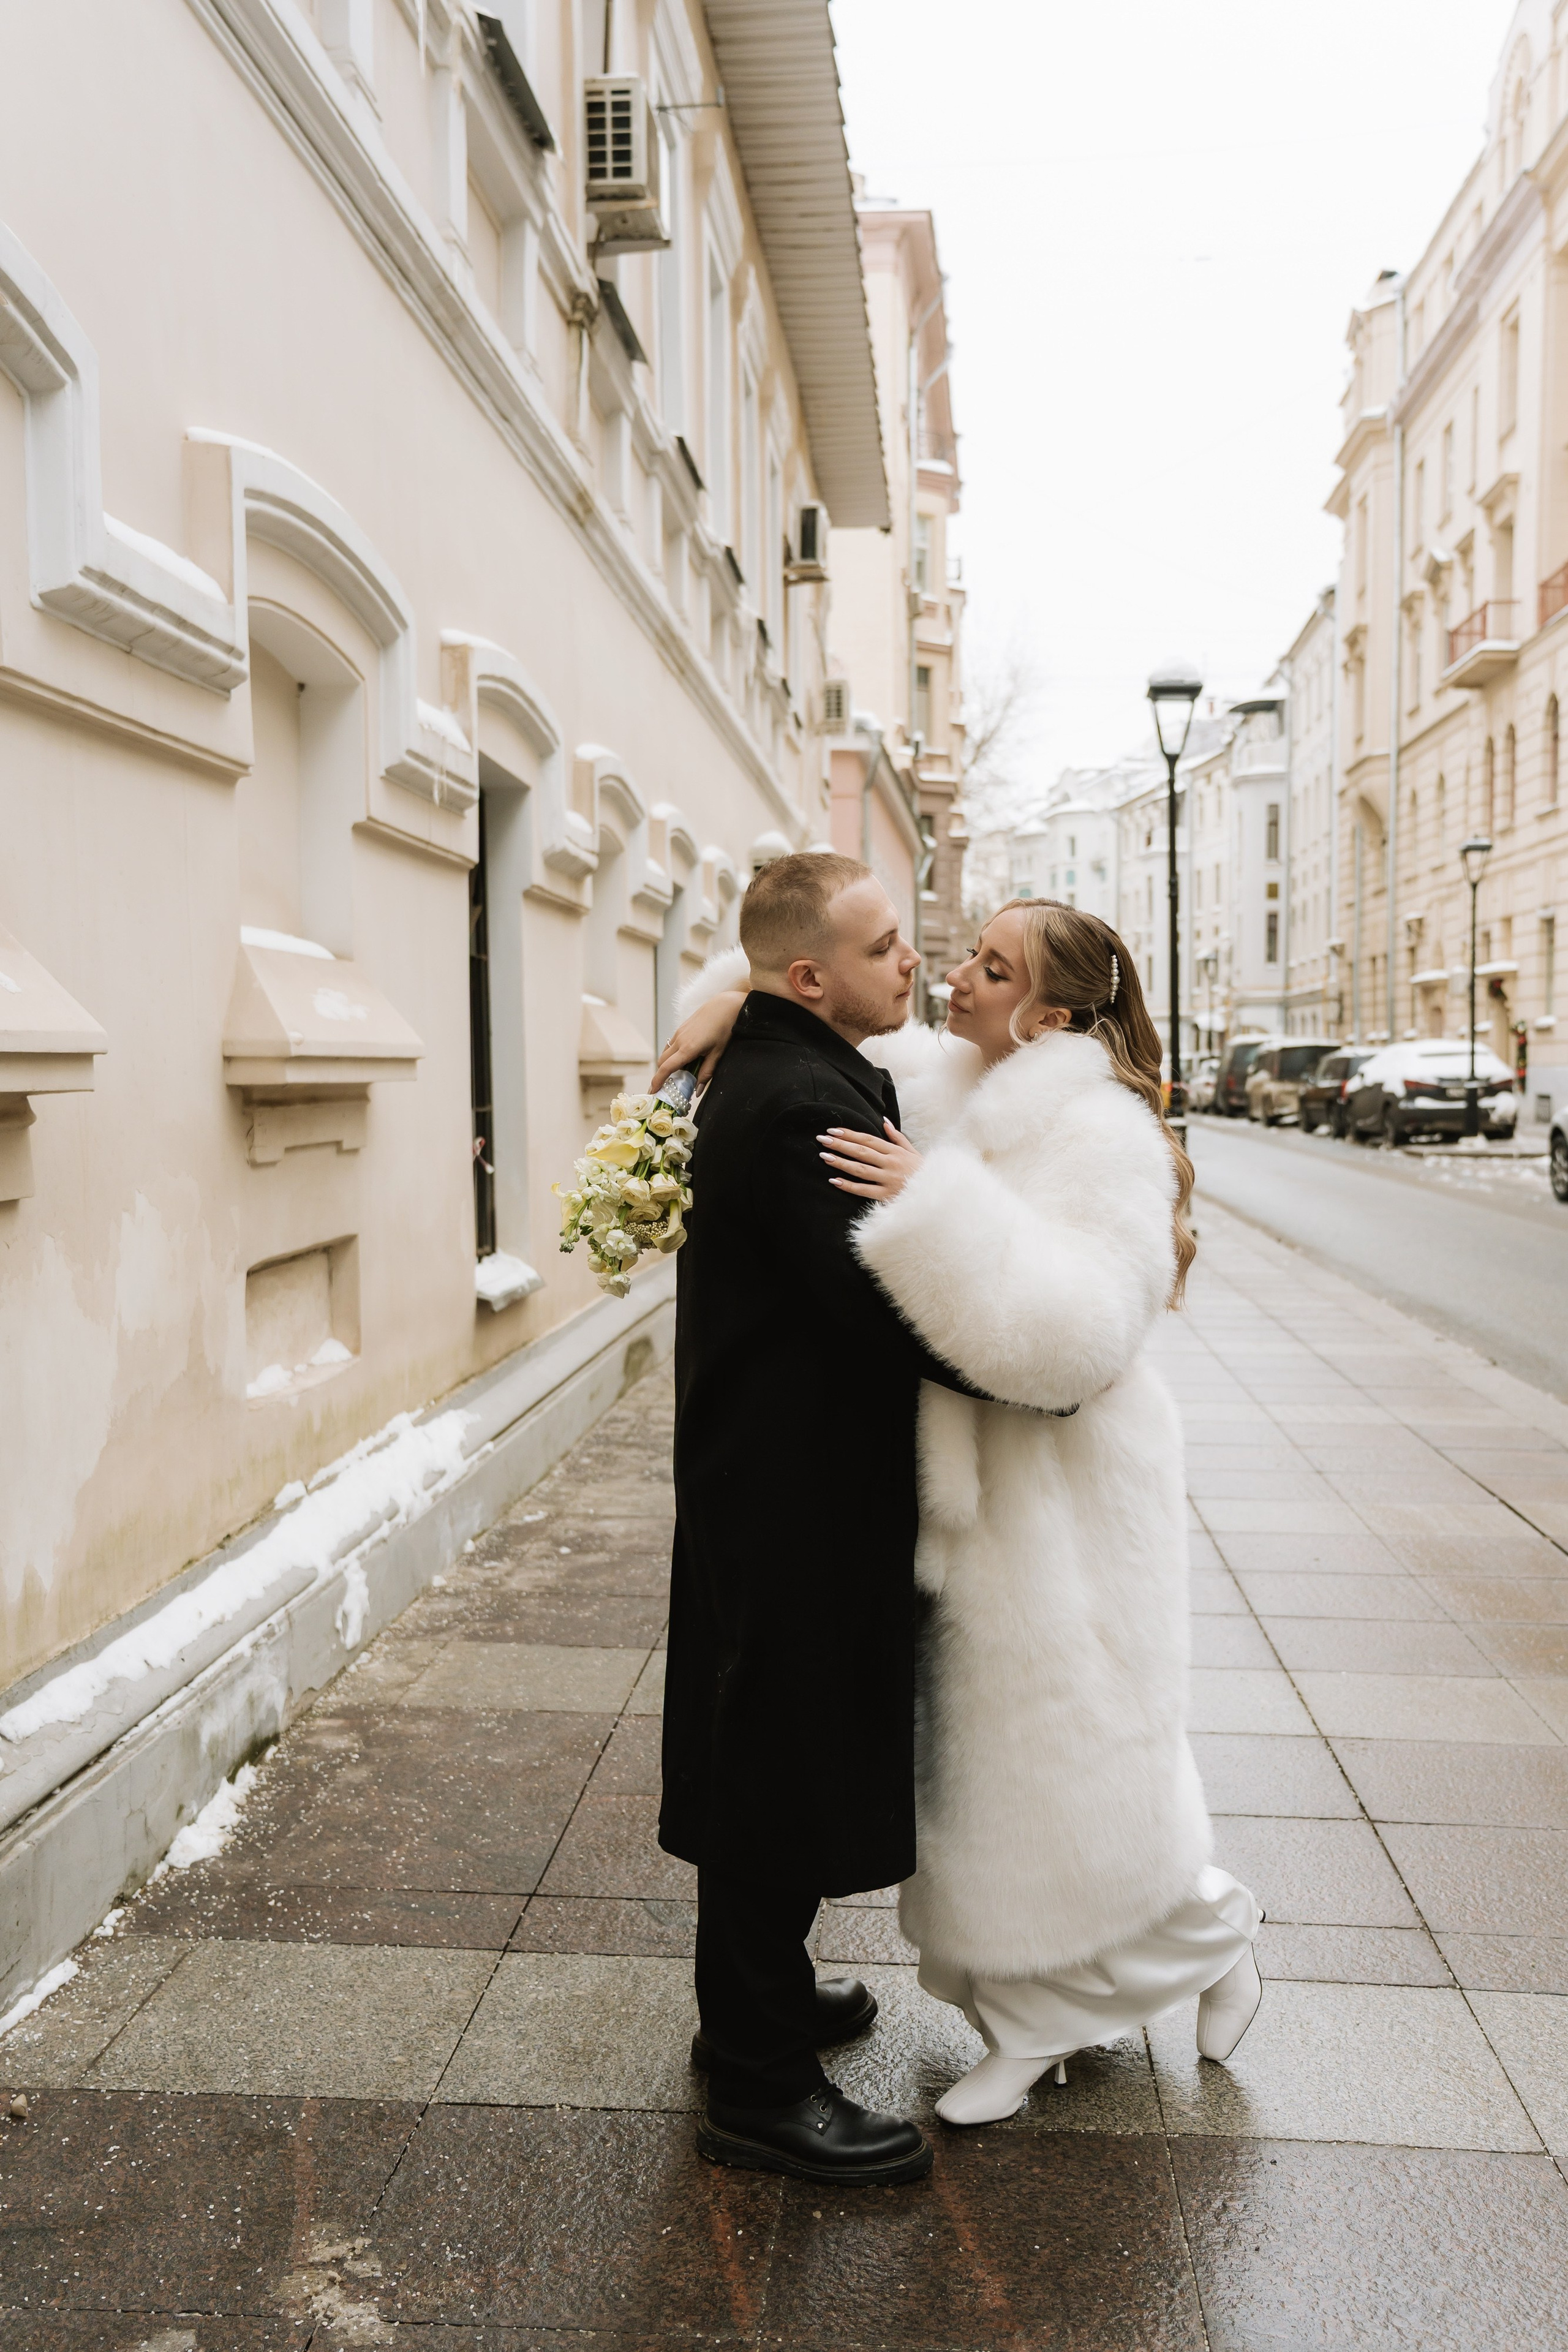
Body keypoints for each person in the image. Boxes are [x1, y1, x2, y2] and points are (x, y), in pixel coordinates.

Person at [662, 894, 1262, 2130]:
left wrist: (935, 1202)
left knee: (1057, 1763)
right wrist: (733, 1000)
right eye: (964, 954)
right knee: (987, 1777)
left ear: (1049, 1016)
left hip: (1064, 1494)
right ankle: (1073, 1987)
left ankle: (1133, 1971)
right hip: (968, 1484)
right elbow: (820, 1000)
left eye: (990, 967)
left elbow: (1080, 1338)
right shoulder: (953, 1075)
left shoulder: (1100, 1133)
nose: (950, 975)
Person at [656, 851, 1000, 2186]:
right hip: (791, 1492)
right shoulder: (800, 1097)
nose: (912, 961)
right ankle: (756, 2082)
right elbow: (886, 1305)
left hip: (776, 1473)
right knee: (772, 1769)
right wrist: (1030, 1355)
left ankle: (763, 1999)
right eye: (884, 946)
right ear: (810, 978)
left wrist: (729, 1006)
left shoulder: (784, 1053)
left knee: (774, 1747)